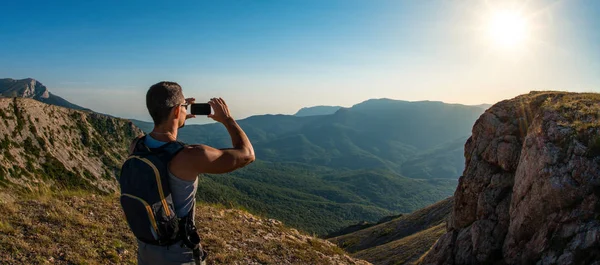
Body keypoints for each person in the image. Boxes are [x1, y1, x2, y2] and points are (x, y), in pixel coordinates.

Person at [129, 81, 255, 265]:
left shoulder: (137, 145)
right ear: (177, 110)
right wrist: (227, 119)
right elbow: (247, 155)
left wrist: (175, 116)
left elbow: (159, 138)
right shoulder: (190, 155)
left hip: (146, 249)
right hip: (178, 254)